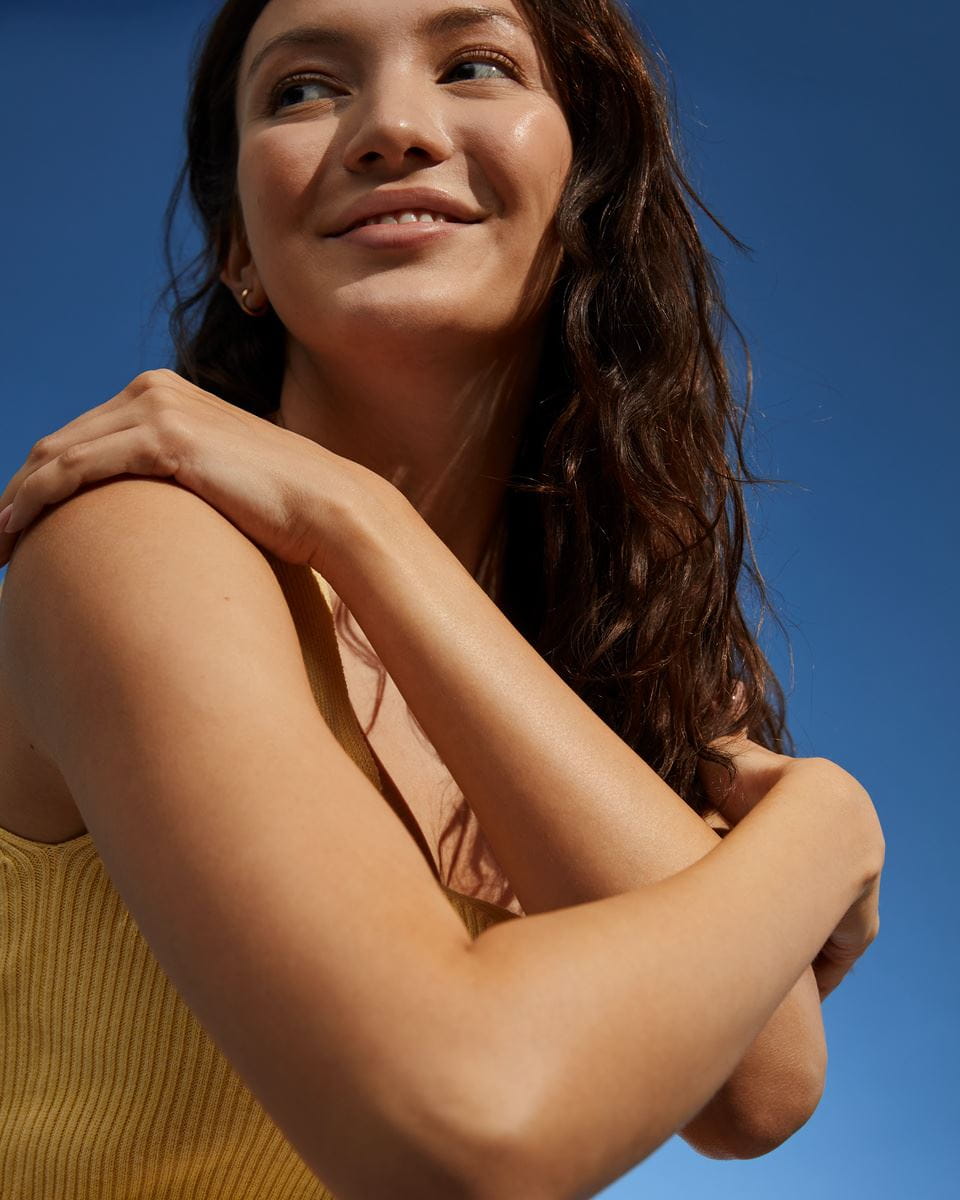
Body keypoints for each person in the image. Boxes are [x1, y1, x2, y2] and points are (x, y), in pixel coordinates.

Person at [0, 0, 885, 1196]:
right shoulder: (139, 544)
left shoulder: (581, 656)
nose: (392, 128)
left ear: (590, 199)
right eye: (304, 89)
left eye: (473, 65)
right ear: (239, 250)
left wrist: (360, 528)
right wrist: (829, 825)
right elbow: (464, 1130)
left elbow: (759, 1087)